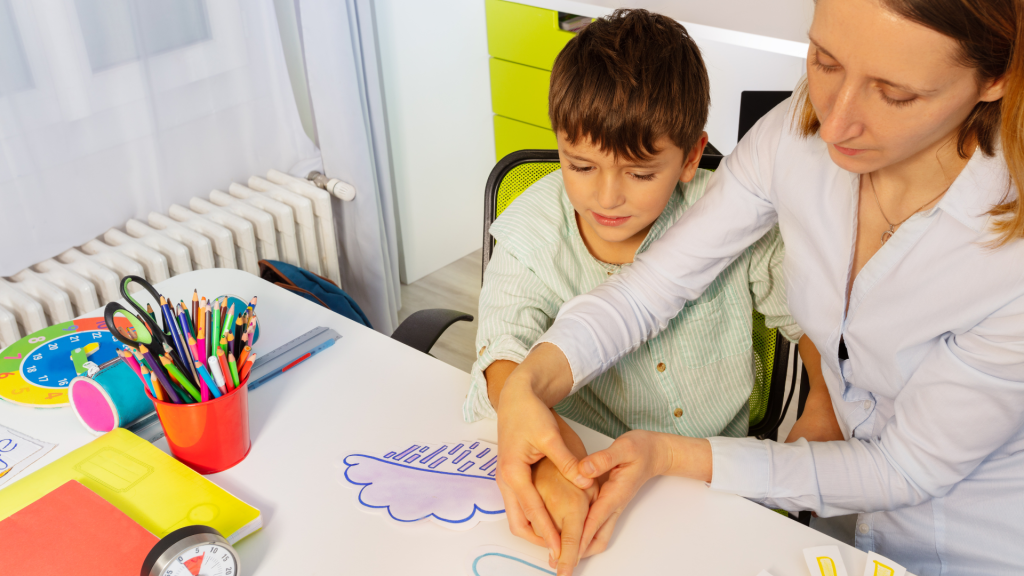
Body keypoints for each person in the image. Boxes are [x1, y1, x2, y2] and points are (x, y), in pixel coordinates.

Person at [494, 0, 1024, 574]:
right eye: (823, 60)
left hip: (975, 543)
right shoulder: (794, 137)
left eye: (895, 94)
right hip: (835, 523)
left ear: (995, 78)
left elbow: (904, 470)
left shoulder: (1008, 262)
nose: (836, 123)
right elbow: (650, 288)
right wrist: (530, 382)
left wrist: (671, 454)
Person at [466, 10, 812, 573]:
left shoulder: (727, 216)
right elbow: (501, 349)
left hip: (706, 476)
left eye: (640, 173)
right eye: (580, 165)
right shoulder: (533, 228)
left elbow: (807, 319)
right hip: (585, 467)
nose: (607, 197)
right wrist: (541, 441)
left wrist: (822, 401)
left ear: (691, 156)